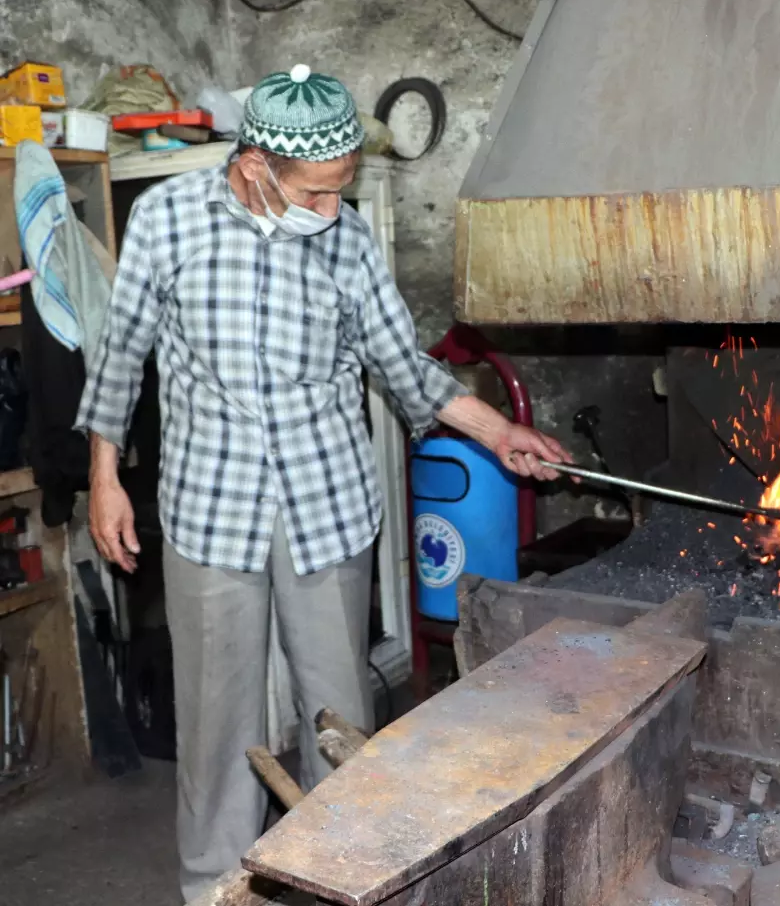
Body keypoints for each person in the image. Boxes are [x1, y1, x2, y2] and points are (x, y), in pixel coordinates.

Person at [75, 65, 570, 902]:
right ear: (254, 165)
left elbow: (403, 366)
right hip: (210, 505)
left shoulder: (345, 240)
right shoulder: (166, 221)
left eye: (343, 189)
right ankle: (214, 887)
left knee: (338, 716)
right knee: (216, 723)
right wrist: (102, 477)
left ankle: (339, 878)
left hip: (325, 505)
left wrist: (501, 432)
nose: (331, 211)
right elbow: (121, 355)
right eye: (315, 193)